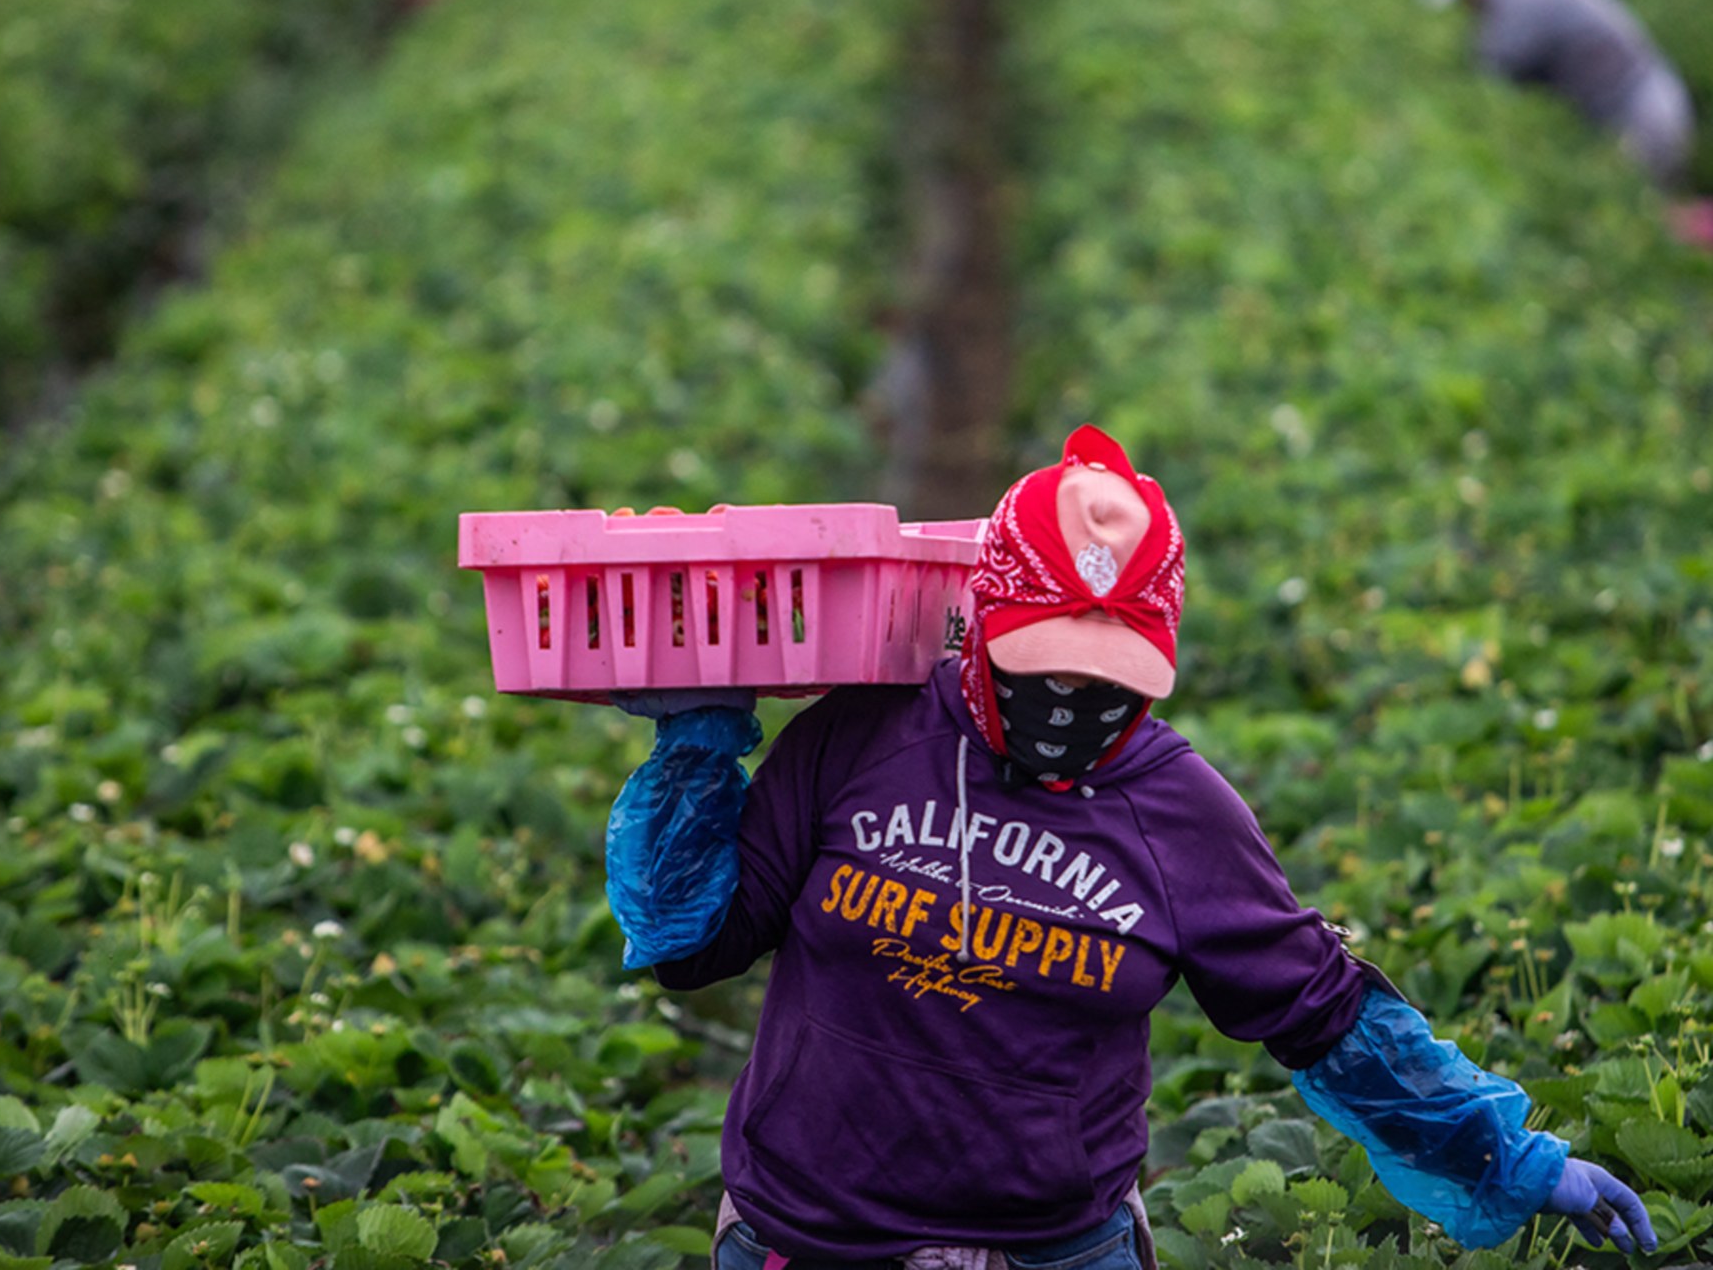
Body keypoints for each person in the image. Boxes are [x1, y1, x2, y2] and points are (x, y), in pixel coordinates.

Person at [604, 426, 1657, 1270]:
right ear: (984, 619)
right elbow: (696, 944)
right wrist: (695, 744)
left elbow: (1328, 1015)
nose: (1073, 701)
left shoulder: (1178, 810)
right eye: (1046, 667)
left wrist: (1514, 1158)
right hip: (811, 1241)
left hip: (1054, 1250)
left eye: (1109, 680)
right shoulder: (865, 735)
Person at [1444, 0, 1695, 188]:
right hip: (1659, 98)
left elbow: (1491, 69)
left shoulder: (1521, 6)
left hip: (1644, 114)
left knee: (1629, 204)